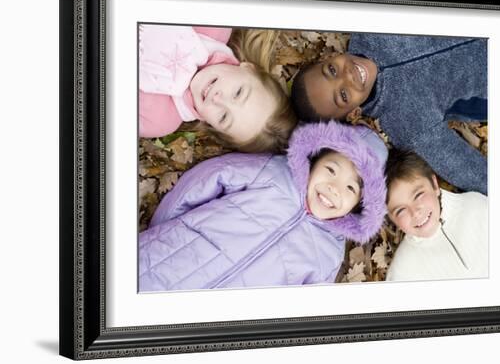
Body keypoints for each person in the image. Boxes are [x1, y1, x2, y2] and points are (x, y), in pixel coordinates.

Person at [138, 121, 388, 292]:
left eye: (351, 188)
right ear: (314, 162)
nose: (334, 187)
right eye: (331, 170)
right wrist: (166, 230)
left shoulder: (328, 255)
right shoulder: (275, 173)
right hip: (169, 260)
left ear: (359, 205)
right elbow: (212, 177)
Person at [290, 32, 488, 194]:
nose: (347, 76)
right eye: (343, 95)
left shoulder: (371, 28)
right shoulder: (407, 123)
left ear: (328, 58)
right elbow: (468, 170)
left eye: (332, 70)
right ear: (353, 113)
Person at [139, 25, 297, 153]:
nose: (218, 99)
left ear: (211, 126)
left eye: (223, 117)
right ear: (249, 68)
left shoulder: (159, 120)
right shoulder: (213, 26)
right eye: (238, 92)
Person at [384, 149, 488, 282]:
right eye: (400, 211)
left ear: (434, 185)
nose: (415, 212)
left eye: (418, 195)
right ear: (391, 219)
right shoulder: (403, 272)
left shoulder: (475, 206)